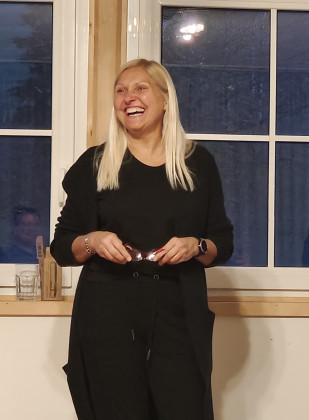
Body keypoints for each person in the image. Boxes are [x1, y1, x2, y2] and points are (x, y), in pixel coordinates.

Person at [50, 58, 233, 420]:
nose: (128, 97)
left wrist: (195, 246)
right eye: (120, 90)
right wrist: (92, 240)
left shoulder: (198, 163)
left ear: (165, 100)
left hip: (179, 311)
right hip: (108, 313)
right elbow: (62, 247)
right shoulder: (95, 164)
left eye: (140, 88)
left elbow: (221, 245)